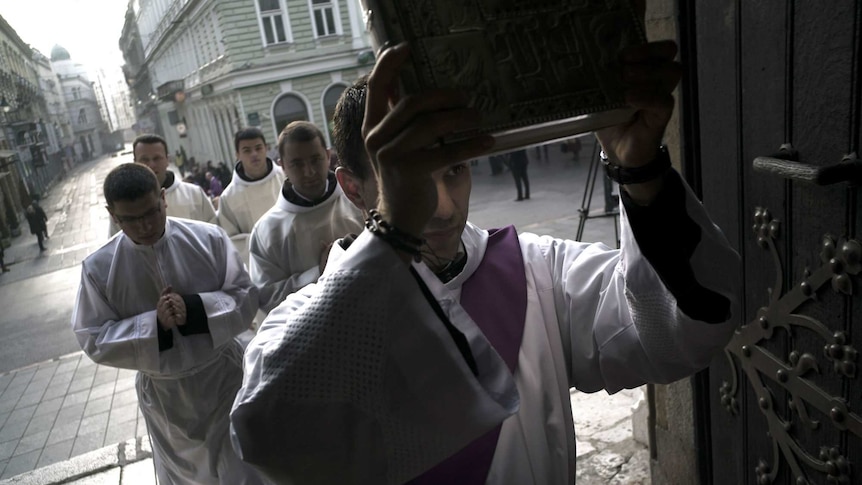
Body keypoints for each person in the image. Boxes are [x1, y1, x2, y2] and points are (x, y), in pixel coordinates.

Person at [230, 37, 741, 485]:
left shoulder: (537, 271)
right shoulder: (299, 325)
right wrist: (394, 232)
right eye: (409, 181)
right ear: (353, 187)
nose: (445, 208)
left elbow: (675, 337)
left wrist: (641, 171)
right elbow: (272, 441)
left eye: (454, 170)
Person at [71, 163, 265, 485]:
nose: (145, 225)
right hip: (166, 398)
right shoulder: (99, 269)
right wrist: (154, 325)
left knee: (244, 472)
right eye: (129, 219)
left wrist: (197, 309)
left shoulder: (208, 238)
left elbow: (245, 296)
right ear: (112, 214)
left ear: (163, 198)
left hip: (222, 379)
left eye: (151, 212)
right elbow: (93, 337)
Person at [247, 121, 364, 314]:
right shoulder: (267, 231)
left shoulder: (358, 201)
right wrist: (318, 272)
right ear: (282, 165)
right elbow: (267, 298)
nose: (309, 172)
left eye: (316, 160)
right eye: (297, 164)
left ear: (328, 156)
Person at [109, 135, 216, 236]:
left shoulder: (194, 194)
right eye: (144, 159)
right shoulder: (122, 204)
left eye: (157, 158)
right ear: (135, 162)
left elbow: (215, 233)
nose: (151, 164)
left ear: (167, 160)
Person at [216, 128, 285, 265]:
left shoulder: (285, 177)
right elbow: (230, 240)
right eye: (247, 150)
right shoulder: (229, 197)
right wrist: (264, 243)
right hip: (260, 266)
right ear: (238, 154)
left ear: (266, 148)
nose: (254, 154)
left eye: (258, 148)